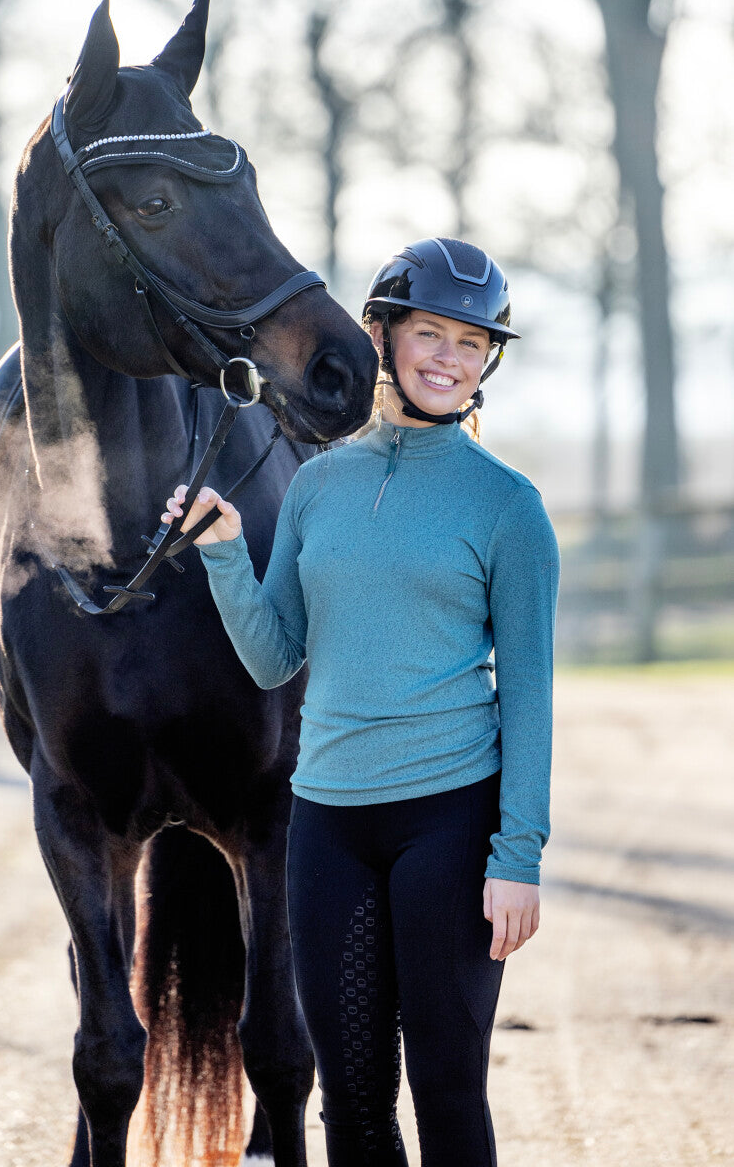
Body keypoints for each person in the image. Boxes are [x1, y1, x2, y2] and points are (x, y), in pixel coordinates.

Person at [162, 237, 559, 1167]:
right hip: (327, 824)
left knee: (447, 1086)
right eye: (430, 334)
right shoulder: (316, 484)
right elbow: (273, 660)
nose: (449, 359)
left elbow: (531, 697)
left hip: (449, 825)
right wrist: (223, 551)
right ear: (381, 336)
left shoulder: (507, 507)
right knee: (349, 1096)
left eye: (472, 343)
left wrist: (518, 856)